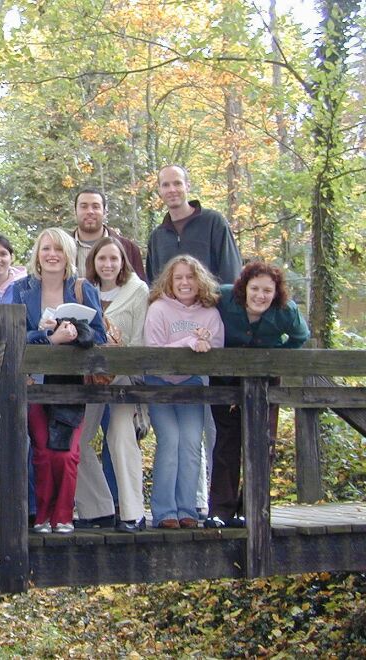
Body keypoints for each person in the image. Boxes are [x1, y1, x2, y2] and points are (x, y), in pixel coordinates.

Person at [12, 228, 106, 533]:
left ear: (68, 255)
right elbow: (13, 335)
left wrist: (75, 332)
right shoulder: (20, 289)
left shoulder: (82, 288)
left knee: (66, 453)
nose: (52, 255)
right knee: (42, 452)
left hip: (72, 385)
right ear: (37, 255)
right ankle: (42, 516)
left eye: (58, 249)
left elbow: (100, 336)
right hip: (35, 382)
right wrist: (48, 336)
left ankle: (63, 516)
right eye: (45, 249)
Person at [207, 261, 310, 528]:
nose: (260, 296)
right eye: (255, 288)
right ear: (244, 287)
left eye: (267, 290)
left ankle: (251, 508)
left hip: (264, 382)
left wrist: (274, 357)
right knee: (226, 444)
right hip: (225, 378)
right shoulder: (225, 297)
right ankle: (220, 511)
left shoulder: (286, 311)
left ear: (276, 292)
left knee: (263, 443)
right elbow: (200, 315)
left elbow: (300, 336)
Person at [144, 255, 224, 529]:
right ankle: (165, 511)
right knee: (170, 440)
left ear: (199, 281)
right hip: (158, 384)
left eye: (190, 277)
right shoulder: (158, 309)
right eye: (178, 277)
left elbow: (218, 350)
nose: (184, 282)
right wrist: (190, 340)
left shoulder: (210, 314)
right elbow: (153, 350)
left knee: (191, 442)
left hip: (191, 384)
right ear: (169, 280)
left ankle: (187, 509)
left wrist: (205, 346)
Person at [83, 237, 149, 532]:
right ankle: (97, 507)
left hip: (124, 375)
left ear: (123, 261)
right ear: (93, 262)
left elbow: (142, 338)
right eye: (102, 259)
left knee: (121, 435)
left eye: (113, 259)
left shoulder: (137, 291)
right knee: (76, 438)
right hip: (89, 376)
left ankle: (133, 513)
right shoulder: (83, 290)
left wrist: (119, 352)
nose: (108, 265)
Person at [145, 165, 242, 285]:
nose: (172, 190)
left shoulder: (213, 222)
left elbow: (230, 271)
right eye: (166, 185)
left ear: (187, 186)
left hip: (212, 302)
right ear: (159, 190)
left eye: (177, 183)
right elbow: (153, 283)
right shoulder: (157, 237)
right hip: (170, 303)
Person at [71, 189, 145, 280]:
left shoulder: (129, 249)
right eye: (84, 206)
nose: (90, 211)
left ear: (104, 212)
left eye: (96, 206)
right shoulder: (61, 249)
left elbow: (140, 290)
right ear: (75, 211)